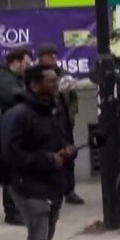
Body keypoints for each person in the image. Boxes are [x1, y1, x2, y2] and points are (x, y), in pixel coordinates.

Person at [0, 64, 75, 240]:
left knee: (46, 238)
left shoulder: (50, 110)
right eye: (51, 81)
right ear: (34, 85)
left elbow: (57, 139)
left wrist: (67, 150)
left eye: (57, 80)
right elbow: (12, 154)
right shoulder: (19, 114)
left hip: (51, 184)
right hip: (29, 187)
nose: (56, 84)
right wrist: (48, 159)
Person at [36, 43, 84, 206]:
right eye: (50, 56)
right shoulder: (36, 76)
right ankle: (49, 190)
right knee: (49, 156)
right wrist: (57, 92)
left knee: (69, 154)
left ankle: (69, 190)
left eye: (55, 55)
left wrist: (71, 114)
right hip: (48, 121)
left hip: (64, 122)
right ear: (41, 58)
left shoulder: (63, 74)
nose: (53, 58)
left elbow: (74, 99)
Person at [0, 47, 33, 225]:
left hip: (19, 131)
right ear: (15, 62)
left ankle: (21, 208)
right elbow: (20, 97)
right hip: (7, 133)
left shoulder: (17, 78)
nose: (28, 68)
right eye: (26, 64)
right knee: (12, 172)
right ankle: (12, 211)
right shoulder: (3, 81)